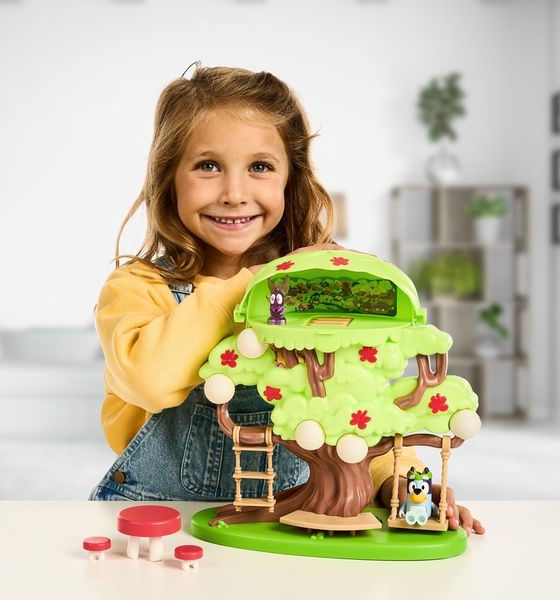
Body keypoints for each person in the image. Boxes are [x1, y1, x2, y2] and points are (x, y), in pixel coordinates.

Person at [88, 63, 484, 537]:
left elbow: (360, 405)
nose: (234, 194)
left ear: (290, 180)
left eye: (260, 167)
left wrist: (399, 481)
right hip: (161, 520)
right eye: (208, 165)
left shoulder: (320, 297)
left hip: (288, 525)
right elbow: (149, 379)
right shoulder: (137, 287)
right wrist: (255, 287)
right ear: (169, 177)